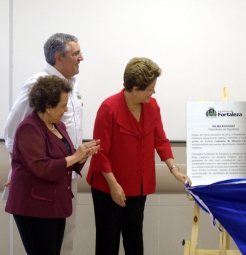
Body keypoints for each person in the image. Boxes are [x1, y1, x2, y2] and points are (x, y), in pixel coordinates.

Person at [86, 57, 192, 255]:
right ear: (135, 89)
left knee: (135, 242)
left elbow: (160, 140)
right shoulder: (109, 108)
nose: (153, 92)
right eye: (150, 88)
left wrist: (174, 170)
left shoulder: (152, 106)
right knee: (107, 243)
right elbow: (99, 152)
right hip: (108, 186)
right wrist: (114, 186)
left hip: (138, 185)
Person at [3, 33, 84, 255]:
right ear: (59, 58)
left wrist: (80, 156)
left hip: (65, 177)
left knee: (64, 241)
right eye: (76, 53)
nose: (82, 58)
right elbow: (12, 130)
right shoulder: (36, 85)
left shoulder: (71, 84)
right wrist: (19, 167)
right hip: (40, 181)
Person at [5, 75, 100, 255]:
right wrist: (75, 157)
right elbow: (42, 167)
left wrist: (83, 155)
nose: (66, 110)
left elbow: (66, 162)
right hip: (34, 206)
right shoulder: (29, 128)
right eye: (63, 105)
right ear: (48, 107)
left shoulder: (59, 127)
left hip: (55, 204)